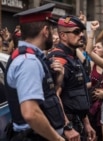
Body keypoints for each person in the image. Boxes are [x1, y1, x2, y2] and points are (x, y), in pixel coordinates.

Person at [4, 3, 65, 141]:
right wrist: (57, 139)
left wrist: (58, 79)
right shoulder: (28, 62)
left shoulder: (33, 58)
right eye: (50, 28)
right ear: (45, 31)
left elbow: (44, 98)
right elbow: (31, 113)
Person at [47, 15, 96, 141]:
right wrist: (67, 127)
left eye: (81, 31)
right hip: (67, 126)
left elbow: (78, 90)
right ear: (63, 35)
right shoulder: (60, 59)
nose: (81, 35)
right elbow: (55, 96)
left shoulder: (73, 57)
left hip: (77, 121)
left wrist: (86, 123)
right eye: (76, 32)